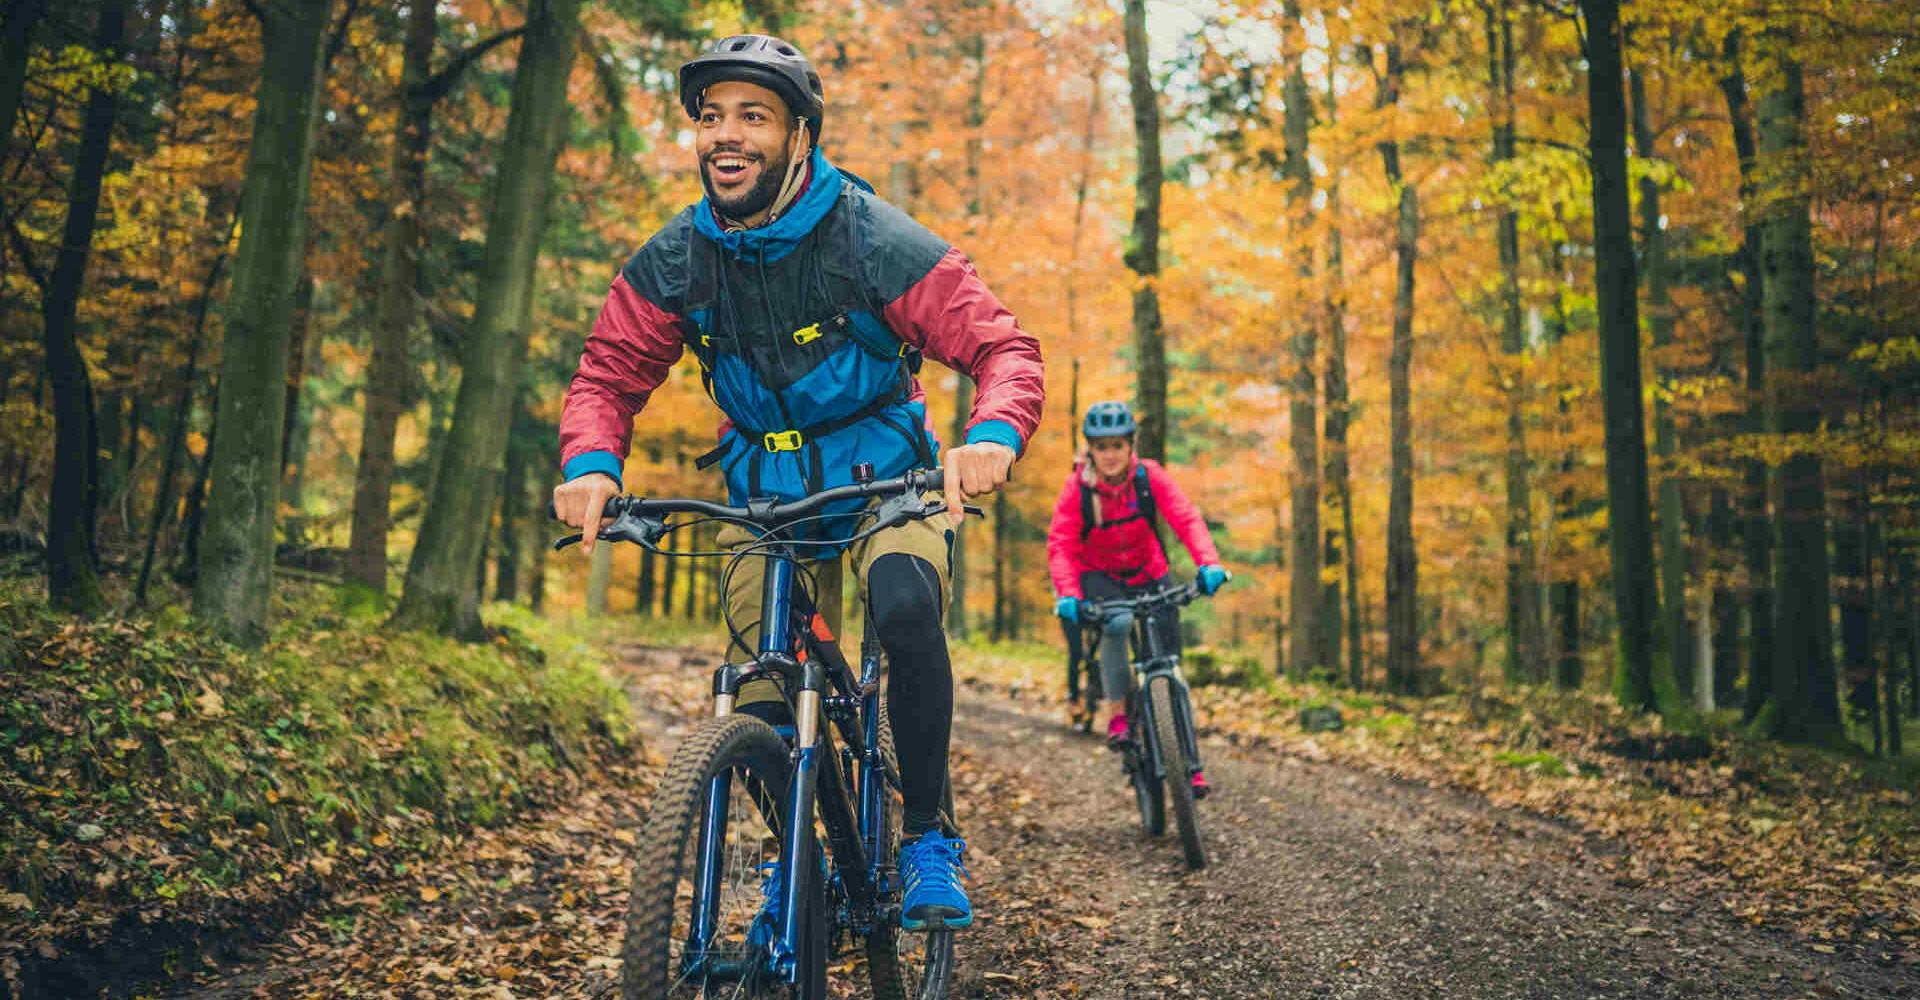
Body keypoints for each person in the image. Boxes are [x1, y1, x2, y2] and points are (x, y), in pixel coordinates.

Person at [550, 34, 1043, 932]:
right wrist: (591, 466)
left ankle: (928, 836)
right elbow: (608, 374)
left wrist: (991, 436)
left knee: (901, 605)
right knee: (762, 691)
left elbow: (1001, 347)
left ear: (800, 137)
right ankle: (800, 858)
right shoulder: (679, 258)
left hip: (885, 479)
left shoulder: (868, 235)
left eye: (753, 116)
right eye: (710, 118)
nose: (725, 136)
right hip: (763, 495)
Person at [1046, 401, 1227, 797]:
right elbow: (1061, 544)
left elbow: (1185, 517)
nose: (1110, 454)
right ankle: (1117, 716)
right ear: (1090, 449)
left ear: (1131, 446)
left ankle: (1188, 762)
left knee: (1170, 660)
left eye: (1117, 445)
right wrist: (1069, 595)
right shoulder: (1079, 487)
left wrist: (1208, 564)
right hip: (1101, 576)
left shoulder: (1150, 477)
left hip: (1149, 571)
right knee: (1119, 623)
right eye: (1101, 446)